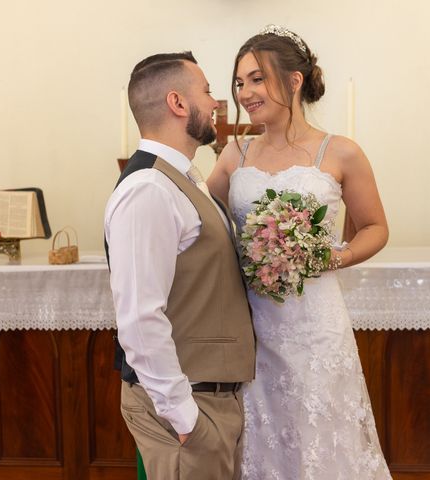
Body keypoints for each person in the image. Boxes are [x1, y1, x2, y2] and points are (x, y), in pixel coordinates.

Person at [207, 25, 391, 479]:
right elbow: (200, 222)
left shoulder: (340, 152)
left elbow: (375, 227)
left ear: (294, 81)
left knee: (322, 436)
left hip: (316, 326)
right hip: (254, 326)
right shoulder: (235, 155)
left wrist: (330, 257)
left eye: (257, 79)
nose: (245, 92)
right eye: (239, 81)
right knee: (263, 439)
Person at [104, 51, 256, 480]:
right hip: (187, 408)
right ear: (177, 103)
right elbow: (139, 317)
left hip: (208, 399)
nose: (216, 103)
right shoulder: (149, 189)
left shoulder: (182, 178)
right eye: (206, 92)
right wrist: (185, 419)